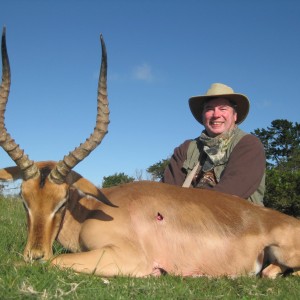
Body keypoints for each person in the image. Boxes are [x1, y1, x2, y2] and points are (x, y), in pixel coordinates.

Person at [161, 83, 266, 206]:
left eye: (223, 109)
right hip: (183, 218)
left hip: (234, 220)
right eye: (210, 109)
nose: (216, 115)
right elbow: (166, 191)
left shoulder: (248, 145)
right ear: (203, 115)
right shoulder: (186, 148)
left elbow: (229, 195)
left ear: (235, 116)